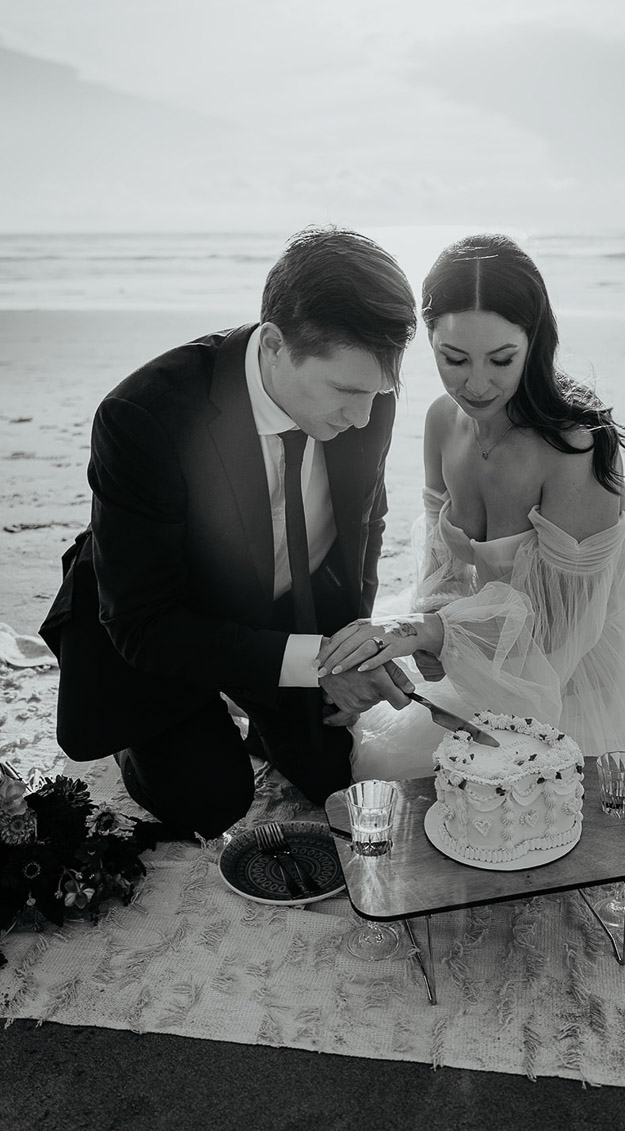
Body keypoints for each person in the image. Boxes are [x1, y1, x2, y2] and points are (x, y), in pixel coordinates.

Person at [319, 234, 625, 824]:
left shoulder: (574, 448)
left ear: (535, 343)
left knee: (531, 811)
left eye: (501, 359)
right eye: (453, 359)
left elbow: (558, 634)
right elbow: (439, 563)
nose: (476, 385)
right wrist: (425, 646)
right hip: (480, 641)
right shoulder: (441, 420)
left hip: (572, 667)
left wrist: (427, 633)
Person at [39, 227, 418, 838]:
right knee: (210, 800)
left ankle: (264, 703)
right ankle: (144, 736)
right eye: (347, 391)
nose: (363, 417)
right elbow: (144, 621)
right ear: (273, 344)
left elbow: (363, 524)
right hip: (168, 619)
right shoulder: (143, 417)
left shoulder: (366, 396)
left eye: (379, 391)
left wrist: (347, 648)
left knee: (332, 777)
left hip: (282, 608)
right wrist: (316, 663)